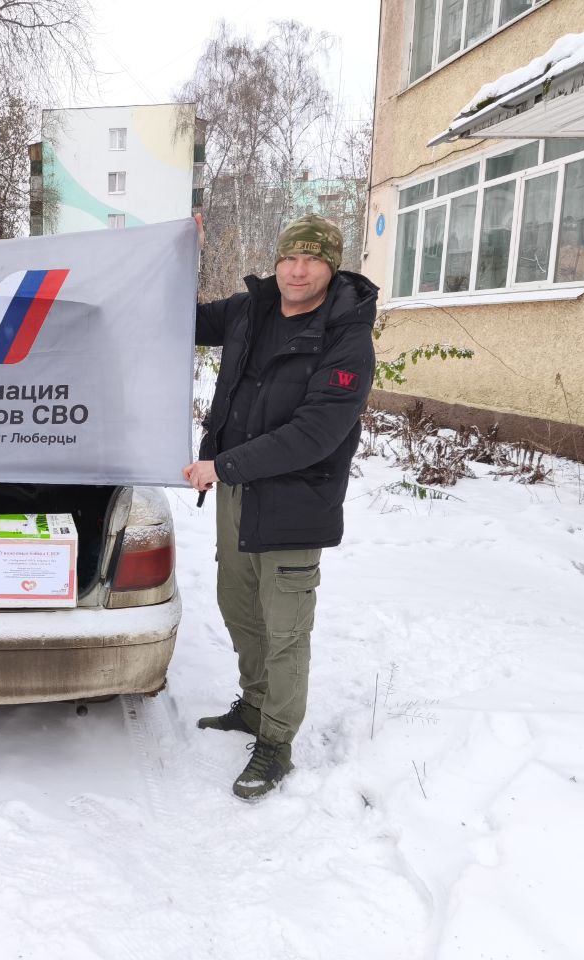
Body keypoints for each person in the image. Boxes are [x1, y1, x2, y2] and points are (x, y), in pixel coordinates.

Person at [183, 215, 376, 801]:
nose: (297, 270)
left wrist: (223, 465)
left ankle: (276, 743)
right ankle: (255, 703)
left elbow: (315, 433)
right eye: (289, 258)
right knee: (238, 604)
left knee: (285, 626)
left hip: (297, 498)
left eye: (312, 260)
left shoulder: (346, 337)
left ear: (331, 267)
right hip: (238, 490)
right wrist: (179, 254)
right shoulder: (252, 308)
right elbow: (180, 318)